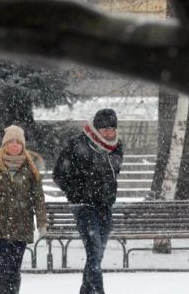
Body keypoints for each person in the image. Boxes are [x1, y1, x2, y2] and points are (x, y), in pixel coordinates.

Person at [53, 108, 124, 294]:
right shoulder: (77, 144)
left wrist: (107, 193)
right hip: (83, 206)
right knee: (94, 251)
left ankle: (86, 291)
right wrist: (77, 193)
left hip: (105, 206)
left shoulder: (117, 147)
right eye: (104, 128)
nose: (108, 132)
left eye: (111, 128)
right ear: (96, 128)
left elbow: (112, 175)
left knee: (97, 255)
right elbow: (59, 174)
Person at [0, 125, 48, 294]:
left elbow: (38, 198)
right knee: (1, 269)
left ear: (23, 145)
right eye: (11, 141)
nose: (14, 145)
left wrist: (42, 222)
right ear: (4, 144)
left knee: (14, 270)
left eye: (18, 142)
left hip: (21, 226)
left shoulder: (30, 167)